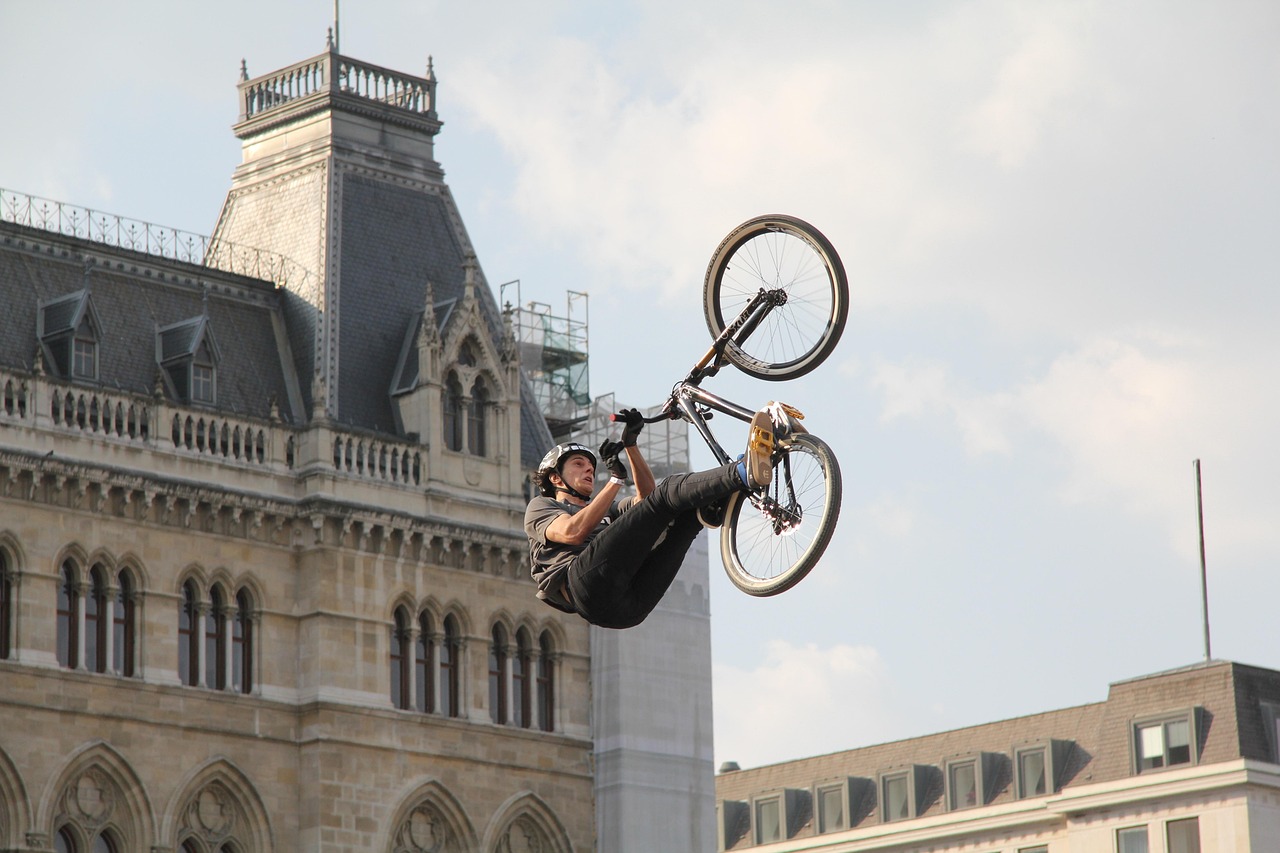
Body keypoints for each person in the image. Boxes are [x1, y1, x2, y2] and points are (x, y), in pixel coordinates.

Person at [524, 405, 780, 629]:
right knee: (668, 491)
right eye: (578, 464)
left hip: (628, 609)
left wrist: (631, 445)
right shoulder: (541, 506)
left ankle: (750, 474)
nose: (589, 470)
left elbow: (647, 501)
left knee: (687, 519)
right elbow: (572, 532)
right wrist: (616, 480)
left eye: (591, 466)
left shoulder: (608, 511)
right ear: (555, 478)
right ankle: (741, 472)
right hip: (584, 586)